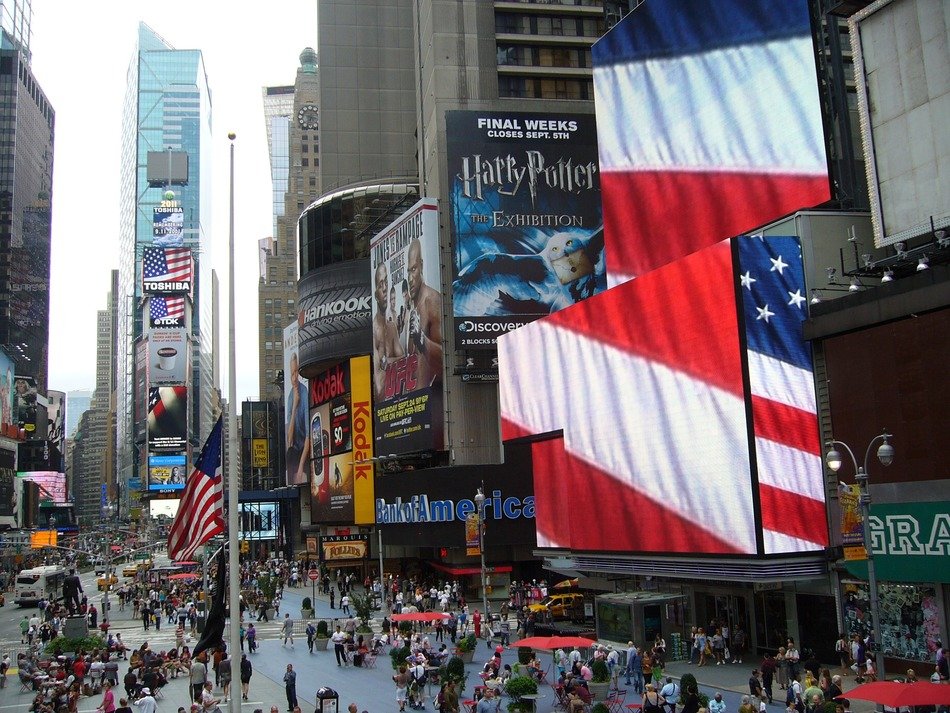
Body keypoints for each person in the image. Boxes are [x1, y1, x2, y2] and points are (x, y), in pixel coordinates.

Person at [285, 353, 310, 482]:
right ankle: (291, 485)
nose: (294, 378)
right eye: (291, 375)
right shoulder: (290, 397)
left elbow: (308, 436)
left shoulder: (305, 393)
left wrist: (300, 467)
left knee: (304, 471)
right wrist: (294, 405)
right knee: (289, 454)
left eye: (296, 373)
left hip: (306, 448)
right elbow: (289, 440)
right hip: (295, 448)